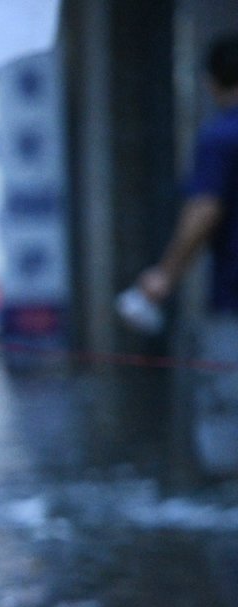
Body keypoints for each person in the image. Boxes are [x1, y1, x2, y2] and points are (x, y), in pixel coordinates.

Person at [136, 33, 238, 478]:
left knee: (228, 408)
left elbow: (204, 210)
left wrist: (165, 276)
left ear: (213, 83)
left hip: (234, 300)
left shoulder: (220, 137)